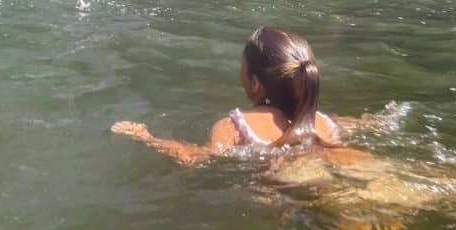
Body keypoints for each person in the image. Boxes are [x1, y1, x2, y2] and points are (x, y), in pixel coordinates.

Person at [111, 26, 340, 165]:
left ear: (254, 83)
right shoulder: (324, 124)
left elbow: (197, 158)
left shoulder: (234, 126)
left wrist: (146, 137)